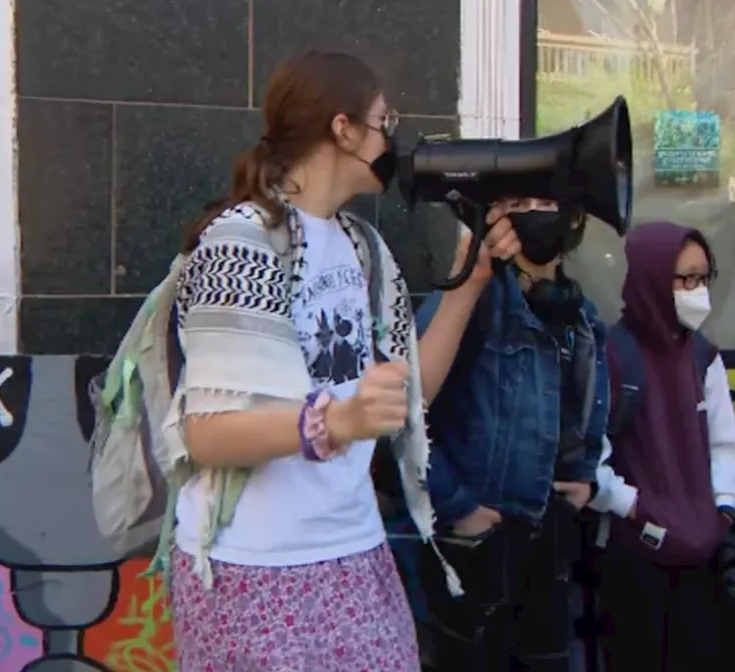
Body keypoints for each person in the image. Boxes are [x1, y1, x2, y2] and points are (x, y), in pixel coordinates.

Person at [164, 50, 521, 671]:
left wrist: (473, 278)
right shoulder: (240, 240)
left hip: (355, 555)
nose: (394, 137)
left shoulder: (364, 247)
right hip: (251, 569)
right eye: (386, 120)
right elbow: (207, 433)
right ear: (343, 128)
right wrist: (337, 422)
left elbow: (407, 401)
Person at [415, 199, 608, 672]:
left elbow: (589, 407)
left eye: (550, 201)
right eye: (525, 201)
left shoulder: (583, 315)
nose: (539, 211)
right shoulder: (471, 297)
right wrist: (459, 509)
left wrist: (585, 480)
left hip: (551, 547)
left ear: (576, 215)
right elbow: (406, 414)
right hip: (477, 549)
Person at [587, 221, 735, 671]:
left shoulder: (703, 356)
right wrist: (637, 508)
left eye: (702, 278)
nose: (697, 291)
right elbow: (588, 458)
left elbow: (725, 445)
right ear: (652, 278)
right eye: (685, 279)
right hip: (635, 555)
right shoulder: (612, 355)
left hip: (703, 554)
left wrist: (721, 511)